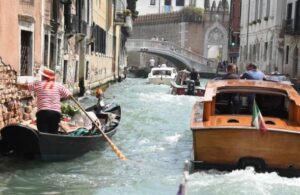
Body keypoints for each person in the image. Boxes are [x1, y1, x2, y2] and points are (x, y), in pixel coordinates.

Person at [18, 67, 71, 134]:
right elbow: (68, 95)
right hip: (55, 113)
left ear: (44, 77)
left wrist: (18, 84)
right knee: (53, 133)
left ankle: (44, 143)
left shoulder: (38, 84)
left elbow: (26, 87)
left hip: (43, 112)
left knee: (43, 134)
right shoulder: (59, 85)